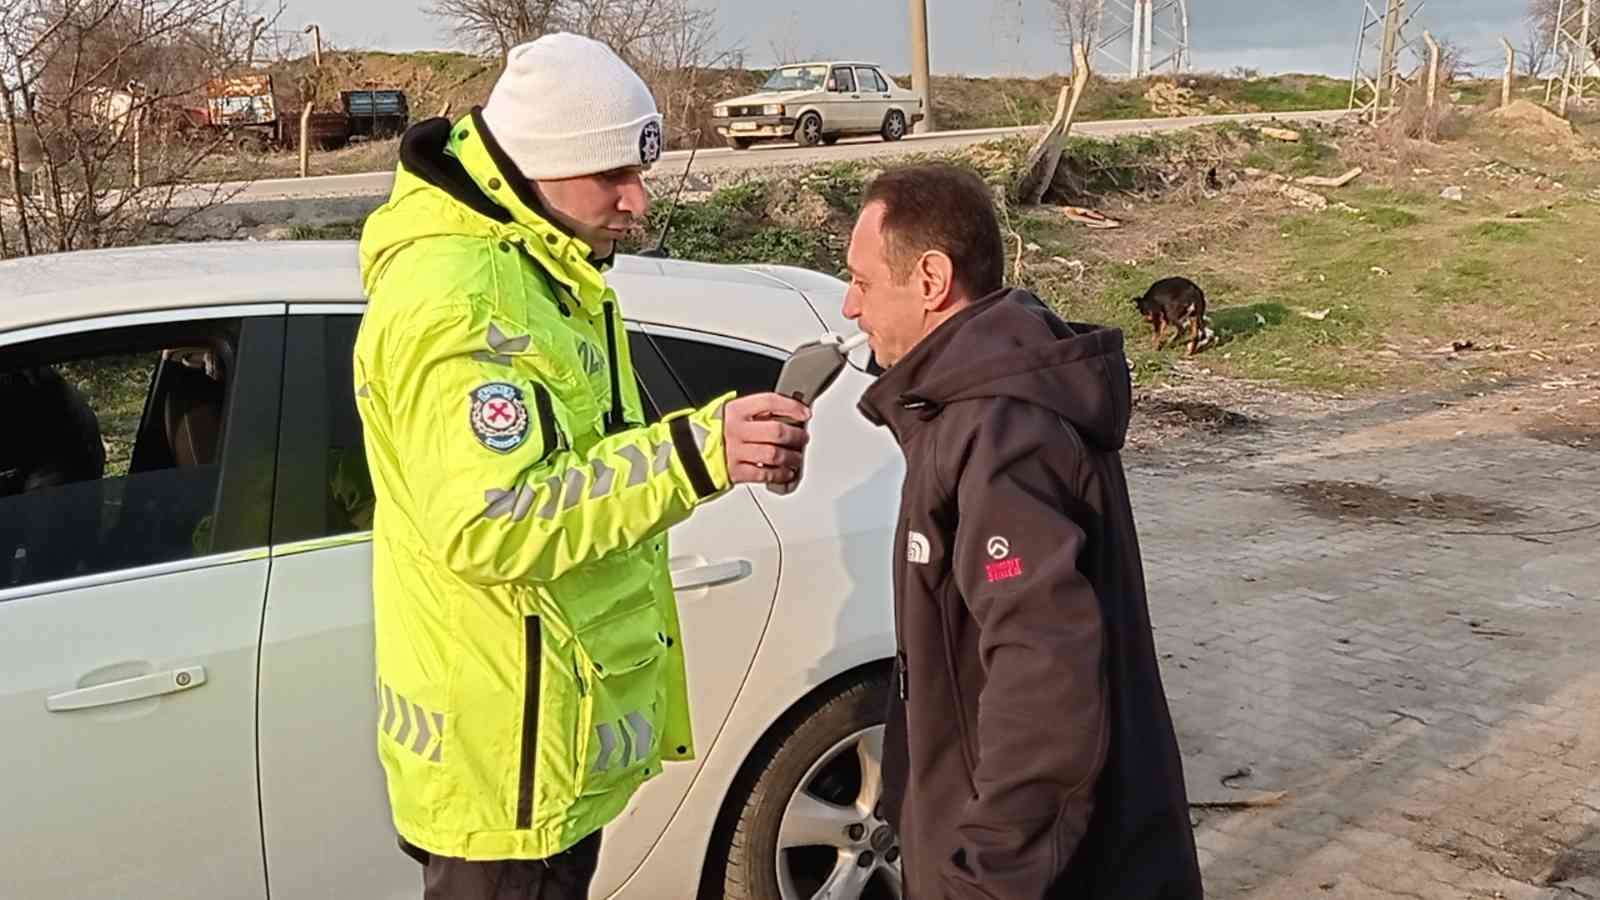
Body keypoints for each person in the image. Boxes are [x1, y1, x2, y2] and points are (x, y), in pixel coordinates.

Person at [353, 33, 811, 900]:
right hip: (508, 764)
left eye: (641, 170)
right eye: (613, 176)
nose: (639, 201)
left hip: (546, 745)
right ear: (539, 166)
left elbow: (580, 459)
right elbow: (493, 524)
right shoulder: (464, 303)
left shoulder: (546, 263)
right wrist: (696, 453)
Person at [848, 163, 1203, 900]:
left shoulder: (1001, 429)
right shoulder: (966, 409)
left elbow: (1044, 675)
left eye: (863, 281)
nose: (850, 306)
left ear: (930, 279)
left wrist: (984, 879)